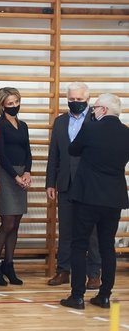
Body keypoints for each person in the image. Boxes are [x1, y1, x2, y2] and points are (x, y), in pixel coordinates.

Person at [60, 94, 129, 310]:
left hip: (87, 196)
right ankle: (105, 295)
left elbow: (73, 149)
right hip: (113, 197)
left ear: (104, 110)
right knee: (107, 245)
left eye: (96, 108)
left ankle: (77, 296)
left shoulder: (90, 129)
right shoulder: (127, 133)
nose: (93, 111)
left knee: (79, 244)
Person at [45, 82, 101, 288]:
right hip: (66, 183)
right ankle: (63, 270)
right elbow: (54, 155)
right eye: (71, 99)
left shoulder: (96, 121)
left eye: (79, 100)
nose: (75, 103)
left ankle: (94, 273)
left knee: (92, 231)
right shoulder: (60, 122)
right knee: (66, 230)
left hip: (90, 185)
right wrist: (50, 182)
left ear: (87, 99)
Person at [0, 87, 29, 286]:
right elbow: (1, 154)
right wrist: (15, 177)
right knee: (8, 222)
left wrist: (27, 172)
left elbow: (27, 150)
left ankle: (9, 264)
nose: (14, 106)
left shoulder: (23, 126)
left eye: (16, 102)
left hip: (21, 174)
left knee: (16, 223)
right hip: (6, 174)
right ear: (2, 105)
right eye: (10, 103)